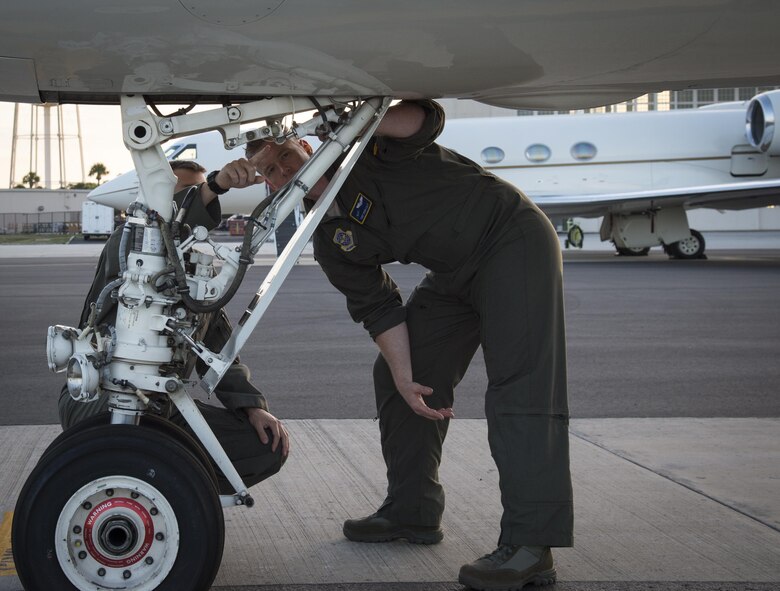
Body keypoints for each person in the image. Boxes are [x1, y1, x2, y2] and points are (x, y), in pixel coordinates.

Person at [59, 159, 289, 494]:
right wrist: (214, 186)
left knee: (265, 447)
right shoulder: (128, 245)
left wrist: (254, 408)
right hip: (100, 398)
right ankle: (132, 486)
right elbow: (166, 224)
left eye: (197, 191)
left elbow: (220, 353)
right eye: (185, 192)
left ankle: (164, 489)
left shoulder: (197, 280)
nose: (195, 198)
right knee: (131, 434)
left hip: (161, 408)